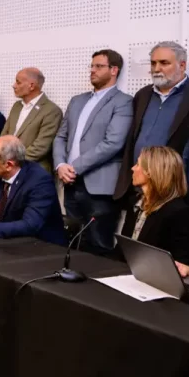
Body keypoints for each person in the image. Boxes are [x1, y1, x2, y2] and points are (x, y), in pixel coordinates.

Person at [53, 50, 133, 254]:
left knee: (98, 243)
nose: (92, 70)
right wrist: (60, 165)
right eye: (92, 66)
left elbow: (113, 143)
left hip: (100, 187)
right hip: (70, 182)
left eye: (99, 66)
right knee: (72, 240)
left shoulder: (123, 101)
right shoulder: (77, 100)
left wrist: (74, 167)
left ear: (114, 70)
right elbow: (61, 137)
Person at [115, 41, 189, 202]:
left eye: (164, 63)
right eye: (153, 63)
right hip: (139, 189)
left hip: (173, 192)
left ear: (182, 66)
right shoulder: (143, 95)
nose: (156, 68)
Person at [120, 146, 189, 265]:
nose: (132, 168)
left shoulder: (180, 213)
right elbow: (122, 250)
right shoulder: (135, 202)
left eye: (138, 164)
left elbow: (180, 264)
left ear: (150, 171)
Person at [1, 67, 62, 172]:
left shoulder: (51, 111)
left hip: (32, 170)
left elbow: (41, 147)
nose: (14, 85)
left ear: (32, 85)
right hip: (9, 168)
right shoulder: (17, 106)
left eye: (18, 82)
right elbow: (4, 135)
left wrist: (13, 162)